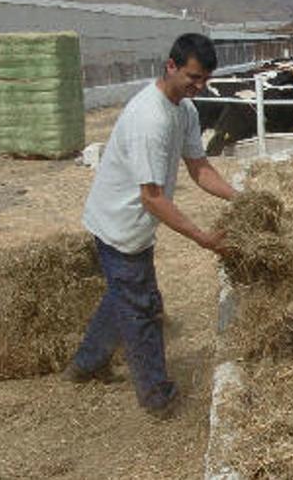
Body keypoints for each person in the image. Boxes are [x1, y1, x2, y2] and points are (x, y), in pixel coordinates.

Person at [62, 33, 238, 419]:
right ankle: (158, 397)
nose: (199, 86)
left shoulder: (185, 111)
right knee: (142, 309)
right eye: (192, 76)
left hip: (135, 224)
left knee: (124, 298)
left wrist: (240, 198)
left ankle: (86, 364)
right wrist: (205, 239)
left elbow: (200, 169)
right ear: (171, 66)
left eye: (205, 79)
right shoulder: (150, 119)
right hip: (119, 225)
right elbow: (152, 198)